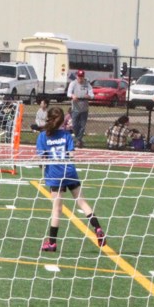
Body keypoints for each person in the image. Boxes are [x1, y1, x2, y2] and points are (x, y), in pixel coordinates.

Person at [36, 106, 106, 253]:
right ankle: (97, 227)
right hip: (70, 171)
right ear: (62, 121)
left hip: (54, 175)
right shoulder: (66, 135)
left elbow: (42, 157)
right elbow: (71, 155)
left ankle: (52, 243)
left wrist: (42, 165)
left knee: (57, 209)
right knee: (82, 202)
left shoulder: (43, 136)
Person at [66, 69, 93, 148]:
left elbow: (92, 94)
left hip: (84, 108)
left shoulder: (87, 84)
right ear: (77, 76)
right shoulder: (73, 83)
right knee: (74, 125)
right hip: (75, 107)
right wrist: (72, 96)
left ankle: (78, 140)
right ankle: (78, 139)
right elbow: (68, 93)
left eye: (82, 77)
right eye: (79, 76)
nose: (80, 78)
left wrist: (89, 96)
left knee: (82, 125)